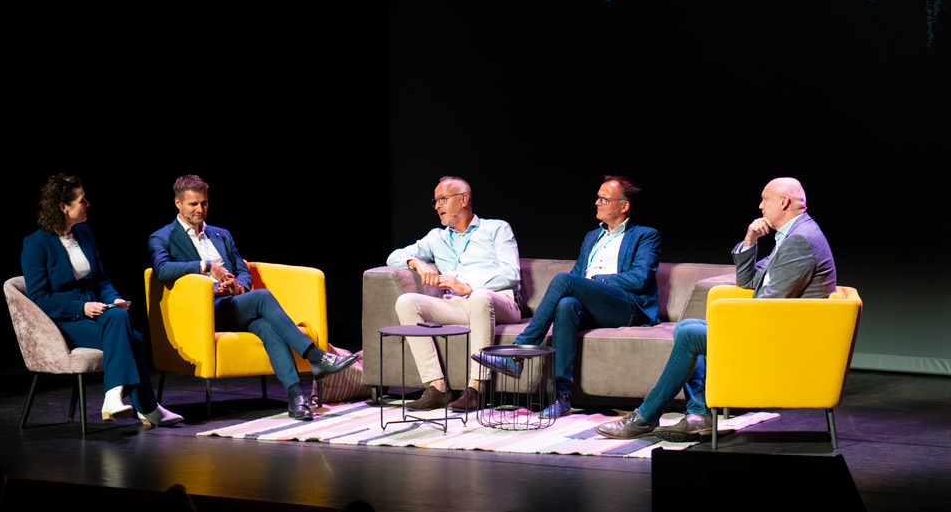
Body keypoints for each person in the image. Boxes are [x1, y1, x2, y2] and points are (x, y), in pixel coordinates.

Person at [596, 177, 836, 440]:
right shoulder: (793, 235)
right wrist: (750, 240)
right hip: (777, 329)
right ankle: (698, 415)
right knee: (687, 327)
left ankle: (645, 418)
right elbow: (748, 281)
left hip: (783, 341)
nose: (760, 206)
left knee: (690, 334)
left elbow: (768, 305)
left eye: (765, 199)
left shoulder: (800, 240)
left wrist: (731, 321)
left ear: (784, 202)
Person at [148, 174, 357, 421]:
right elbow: (161, 269)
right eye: (193, 204)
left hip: (232, 304)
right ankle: (315, 356)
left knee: (266, 326)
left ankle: (296, 399)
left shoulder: (221, 234)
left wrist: (239, 287)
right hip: (203, 311)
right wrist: (206, 267)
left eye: (204, 203)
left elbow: (242, 269)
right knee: (263, 297)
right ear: (178, 203)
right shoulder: (163, 236)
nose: (200, 209)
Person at [474, 175, 660, 419]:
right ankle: (561, 397)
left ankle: (519, 352)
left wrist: (596, 282)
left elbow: (639, 278)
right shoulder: (592, 237)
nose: (597, 203)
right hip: (594, 306)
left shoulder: (645, 235)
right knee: (566, 304)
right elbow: (576, 276)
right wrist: (583, 285)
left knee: (564, 280)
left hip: (626, 306)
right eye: (598, 198)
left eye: (604, 199)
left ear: (624, 206)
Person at [22, 174, 182, 428]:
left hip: (95, 309)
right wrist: (81, 308)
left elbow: (100, 280)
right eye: (81, 200)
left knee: (121, 317)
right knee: (135, 339)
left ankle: (118, 399)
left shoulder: (84, 233)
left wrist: (114, 298)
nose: (88, 204)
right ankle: (142, 406)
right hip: (65, 321)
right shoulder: (36, 244)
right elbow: (39, 299)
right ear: (63, 207)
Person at [387, 176, 521, 411]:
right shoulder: (436, 238)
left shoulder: (496, 229)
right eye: (436, 201)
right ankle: (437, 387)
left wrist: (469, 286)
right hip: (459, 306)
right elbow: (394, 257)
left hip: (499, 302)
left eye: (443, 199)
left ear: (463, 200)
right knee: (406, 302)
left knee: (480, 297)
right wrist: (416, 263)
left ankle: (477, 388)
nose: (437, 206)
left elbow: (511, 273)